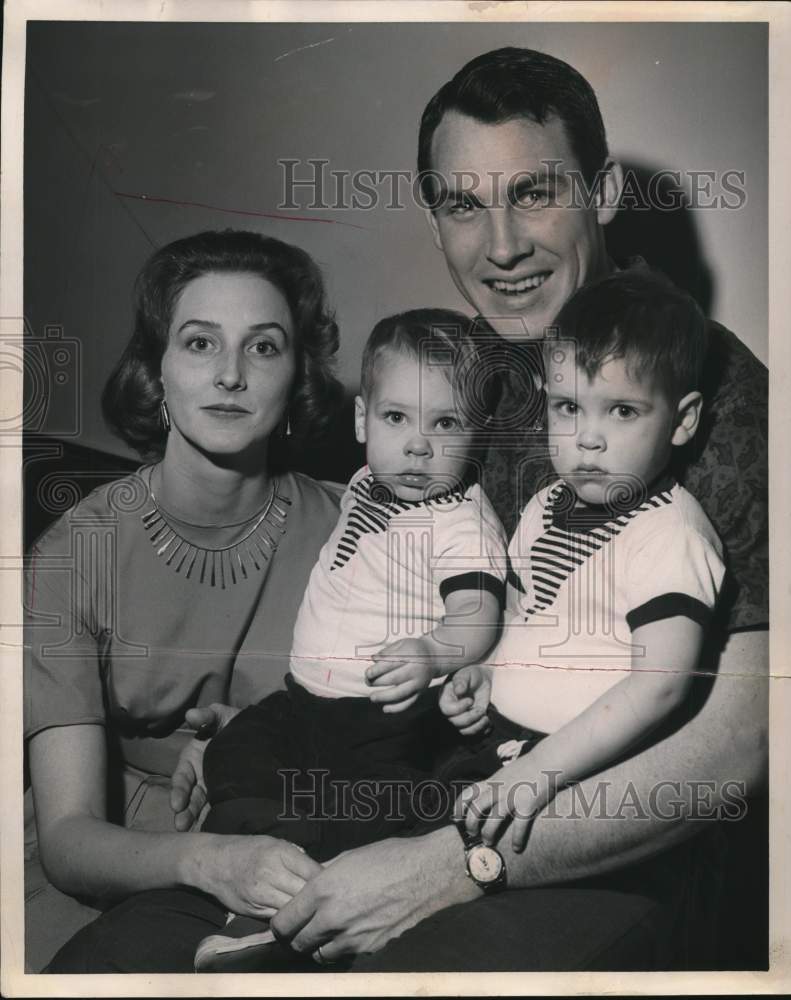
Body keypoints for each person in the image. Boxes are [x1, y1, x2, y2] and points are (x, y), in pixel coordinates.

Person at [259, 47, 767, 971]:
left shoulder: (720, 398)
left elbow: (736, 746)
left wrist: (455, 866)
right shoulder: (459, 374)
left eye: (533, 192)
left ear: (602, 194)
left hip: (624, 864)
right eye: (463, 205)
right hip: (443, 783)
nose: (499, 246)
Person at [47, 309, 513, 973]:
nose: (417, 446)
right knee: (234, 755)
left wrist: (435, 653)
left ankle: (276, 924)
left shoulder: (457, 523)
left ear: (478, 436)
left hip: (379, 718)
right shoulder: (360, 486)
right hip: (303, 701)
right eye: (395, 419)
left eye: (445, 424)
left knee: (334, 817)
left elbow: (476, 614)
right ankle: (242, 862)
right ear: (362, 422)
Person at [22, 228, 345, 973]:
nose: (230, 374)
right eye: (199, 344)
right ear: (155, 372)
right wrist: (210, 860)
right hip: (114, 862)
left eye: (263, 347)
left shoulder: (355, 532)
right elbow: (69, 838)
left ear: (297, 377)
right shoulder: (75, 553)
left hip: (296, 851)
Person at [454, 268, 726, 851]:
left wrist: (539, 771)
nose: (587, 439)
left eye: (622, 411)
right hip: (499, 746)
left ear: (682, 421)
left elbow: (661, 687)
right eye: (569, 407)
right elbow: (521, 618)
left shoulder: (669, 534)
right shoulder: (543, 504)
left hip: (577, 777)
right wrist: (489, 672)